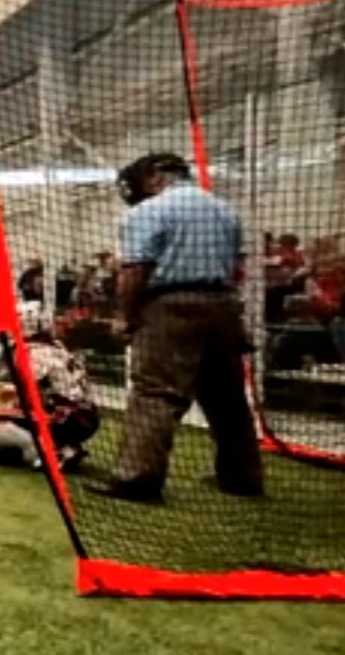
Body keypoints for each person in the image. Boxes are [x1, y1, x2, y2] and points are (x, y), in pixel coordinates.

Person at [104, 153, 262, 501]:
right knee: (228, 398)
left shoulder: (149, 211)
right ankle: (243, 477)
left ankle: (137, 479)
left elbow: (135, 270)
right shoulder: (225, 210)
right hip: (223, 307)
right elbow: (238, 269)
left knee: (155, 393)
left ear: (156, 176)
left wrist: (124, 315)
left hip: (170, 306)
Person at [0, 301, 101, 469]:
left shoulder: (31, 351)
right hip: (86, 418)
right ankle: (66, 447)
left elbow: (32, 394)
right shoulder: (56, 346)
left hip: (68, 418)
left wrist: (14, 396)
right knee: (13, 412)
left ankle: (44, 454)